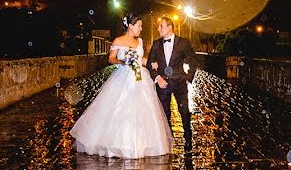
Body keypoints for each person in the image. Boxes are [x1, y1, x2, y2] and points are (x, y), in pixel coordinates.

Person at [69, 13, 173, 159]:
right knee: (120, 108)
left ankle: (142, 144)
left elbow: (142, 59)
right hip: (123, 77)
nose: (141, 29)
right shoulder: (118, 40)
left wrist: (154, 64)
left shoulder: (140, 42)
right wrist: (123, 61)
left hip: (140, 78)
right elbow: (111, 58)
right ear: (130, 26)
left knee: (142, 110)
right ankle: (118, 144)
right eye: (139, 26)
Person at [147, 16, 198, 151]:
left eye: (161, 26)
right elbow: (149, 63)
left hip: (180, 83)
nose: (158, 29)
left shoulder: (183, 43)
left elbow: (193, 60)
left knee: (184, 111)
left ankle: (188, 137)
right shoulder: (156, 44)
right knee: (164, 113)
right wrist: (158, 77)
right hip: (163, 84)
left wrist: (188, 77)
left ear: (170, 27)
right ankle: (168, 140)